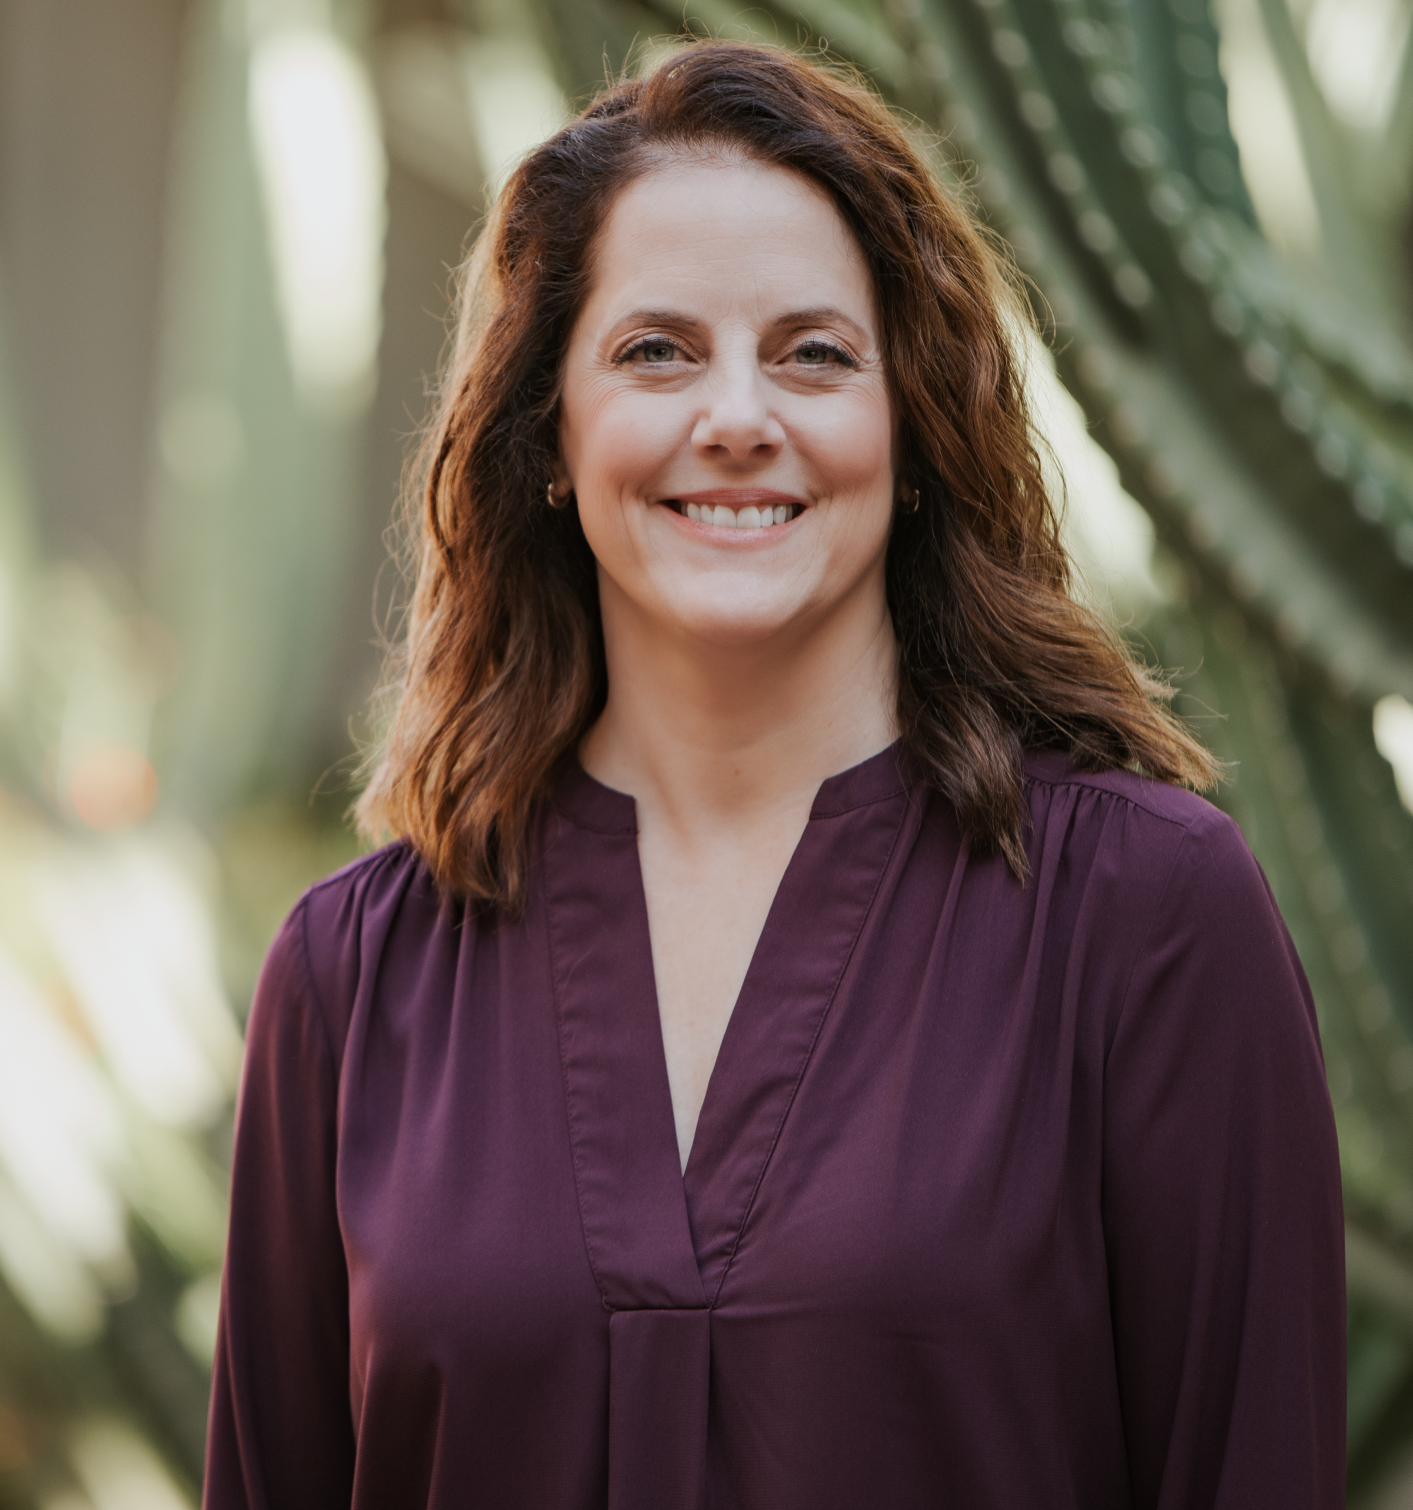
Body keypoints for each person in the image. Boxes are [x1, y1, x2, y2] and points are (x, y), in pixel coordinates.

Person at [203, 40, 1344, 1510]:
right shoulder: (355, 985)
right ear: (551, 434)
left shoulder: (1146, 918)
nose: (737, 416)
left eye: (813, 351)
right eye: (656, 349)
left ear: (910, 430)